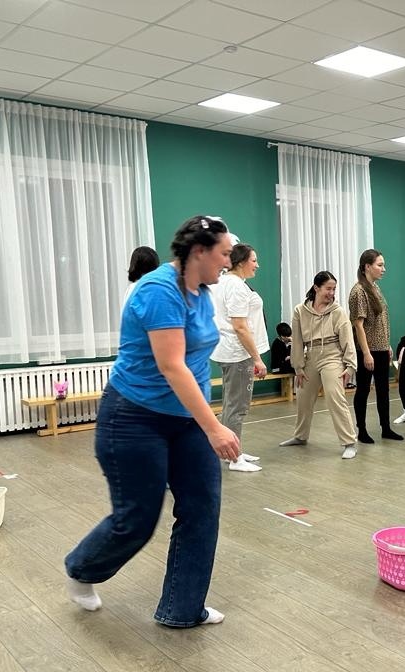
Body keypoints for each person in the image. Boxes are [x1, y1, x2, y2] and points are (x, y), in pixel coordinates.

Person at [65, 214, 238, 628]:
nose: (228, 262)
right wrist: (215, 426)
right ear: (199, 251)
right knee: (137, 519)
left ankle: (183, 609)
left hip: (185, 420)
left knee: (202, 508)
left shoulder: (201, 292)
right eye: (224, 254)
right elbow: (172, 366)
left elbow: (195, 361)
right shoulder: (158, 290)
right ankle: (82, 569)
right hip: (134, 418)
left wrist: (204, 421)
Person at [278, 272, 358, 459]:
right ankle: (300, 436)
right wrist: (298, 367)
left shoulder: (338, 311)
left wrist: (350, 365)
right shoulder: (300, 311)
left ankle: (349, 442)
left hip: (333, 356)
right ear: (316, 288)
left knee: (334, 396)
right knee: (303, 396)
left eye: (334, 289)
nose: (332, 293)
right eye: (328, 288)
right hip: (311, 356)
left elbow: (348, 339)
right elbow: (297, 341)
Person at [210, 242, 268, 472]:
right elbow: (240, 327)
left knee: (230, 404)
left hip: (229, 351)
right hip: (237, 353)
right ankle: (235, 458)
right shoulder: (235, 286)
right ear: (242, 262)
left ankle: (233, 450)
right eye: (254, 260)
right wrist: (257, 358)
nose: (257, 265)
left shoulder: (224, 282)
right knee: (237, 407)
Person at [349, 249, 403, 443]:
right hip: (367, 350)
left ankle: (385, 428)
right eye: (380, 265)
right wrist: (366, 353)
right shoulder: (359, 292)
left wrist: (386, 345)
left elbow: (381, 321)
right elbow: (358, 325)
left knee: (383, 390)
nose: (383, 269)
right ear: (367, 267)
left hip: (381, 349)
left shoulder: (375, 288)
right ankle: (362, 430)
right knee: (363, 389)